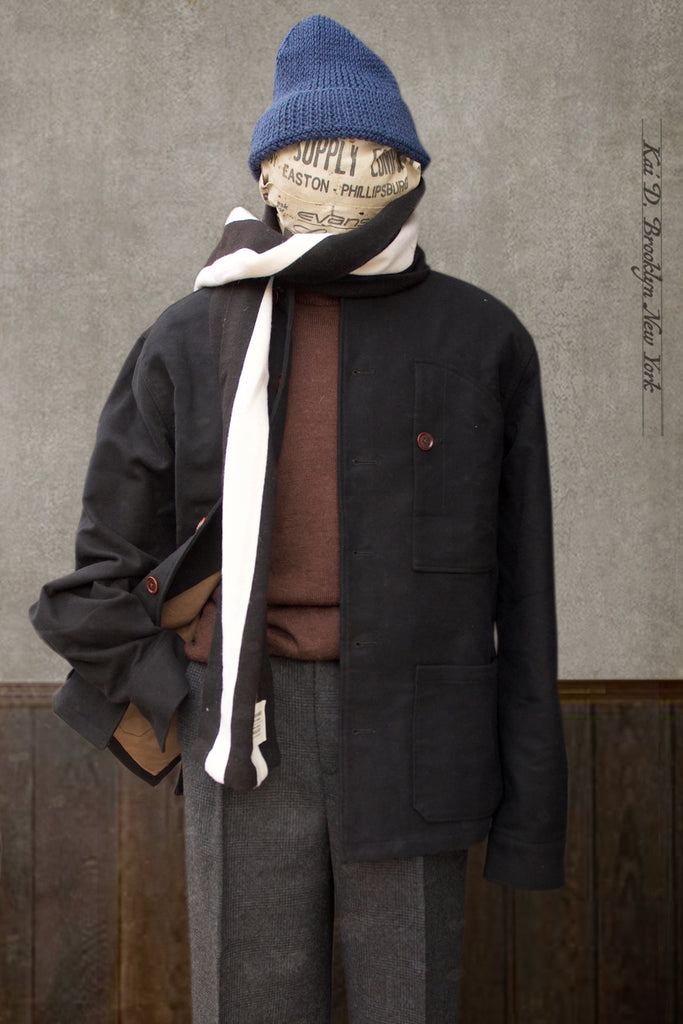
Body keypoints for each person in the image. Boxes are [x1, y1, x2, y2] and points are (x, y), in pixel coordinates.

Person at [30, 15, 568, 1024]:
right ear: (268, 175)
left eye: (365, 157)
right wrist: (187, 701)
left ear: (407, 172)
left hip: (419, 732)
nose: (338, 176)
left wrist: (532, 814)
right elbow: (101, 568)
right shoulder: (190, 338)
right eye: (314, 157)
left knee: (409, 1005)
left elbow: (525, 591)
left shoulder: (482, 341)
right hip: (244, 725)